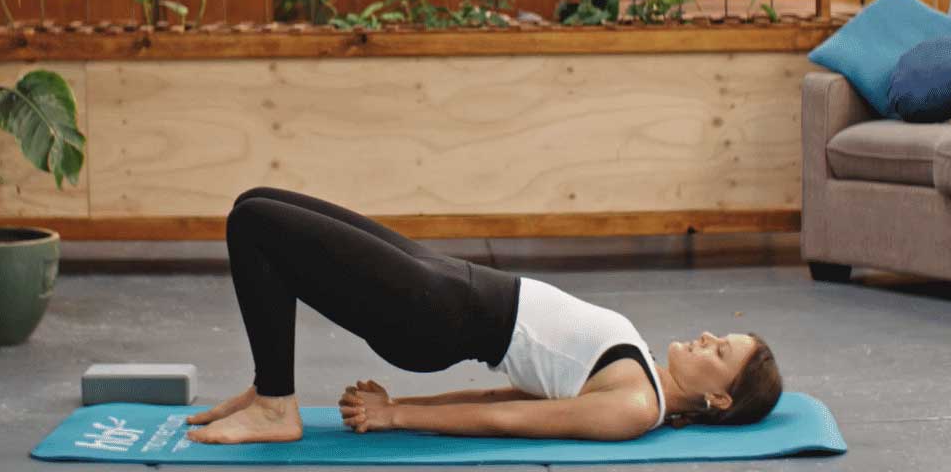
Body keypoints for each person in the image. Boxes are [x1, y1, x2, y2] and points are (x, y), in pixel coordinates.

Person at [184, 186, 782, 445]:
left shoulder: (635, 407)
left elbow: (512, 421)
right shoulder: (643, 374)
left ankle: (276, 406)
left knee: (255, 227)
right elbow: (513, 395)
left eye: (720, 352)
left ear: (720, 401)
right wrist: (397, 407)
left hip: (433, 312)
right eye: (718, 336)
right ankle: (268, 386)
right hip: (447, 279)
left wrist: (396, 418)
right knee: (256, 204)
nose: (707, 337)